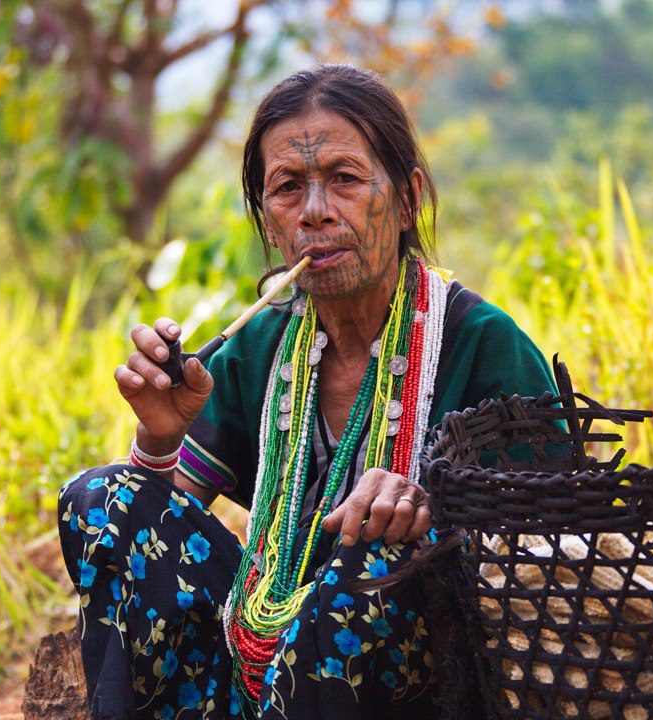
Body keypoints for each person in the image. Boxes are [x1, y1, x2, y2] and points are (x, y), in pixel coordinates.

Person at [59, 64, 559, 720]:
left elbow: (549, 561)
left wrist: (430, 513)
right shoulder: (260, 348)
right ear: (269, 222)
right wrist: (157, 439)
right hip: (256, 669)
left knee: (378, 560)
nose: (316, 211)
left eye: (345, 180)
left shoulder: (484, 348)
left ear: (407, 201)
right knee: (104, 502)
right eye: (288, 188)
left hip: (423, 690)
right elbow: (158, 555)